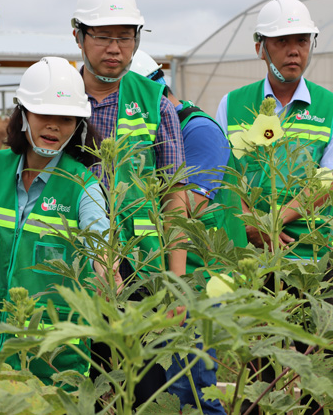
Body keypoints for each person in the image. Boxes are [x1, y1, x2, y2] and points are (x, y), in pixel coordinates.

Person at [0, 56, 111, 387]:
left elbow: (101, 243)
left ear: (78, 125)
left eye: (66, 119)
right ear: (23, 114)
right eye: (44, 114)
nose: (54, 125)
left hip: (54, 359)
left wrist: (107, 272)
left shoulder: (83, 185)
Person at [71, 0, 188, 409]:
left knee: (141, 387)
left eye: (125, 37)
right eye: (103, 37)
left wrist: (174, 283)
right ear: (79, 37)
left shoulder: (154, 101)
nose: (115, 49)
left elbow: (174, 196)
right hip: (73, 267)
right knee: (77, 383)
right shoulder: (57, 98)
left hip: (141, 269)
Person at [132, 51, 246, 414]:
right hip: (170, 268)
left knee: (192, 384)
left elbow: (186, 208)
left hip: (200, 275)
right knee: (164, 381)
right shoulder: (156, 132)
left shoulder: (198, 130)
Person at [215, 0, 333, 260]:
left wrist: (273, 222)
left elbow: (332, 181)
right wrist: (254, 225)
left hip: (310, 255)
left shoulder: (332, 107)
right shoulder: (231, 103)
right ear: (260, 47)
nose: (294, 51)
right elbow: (222, 174)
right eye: (282, 41)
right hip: (247, 253)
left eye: (302, 41)